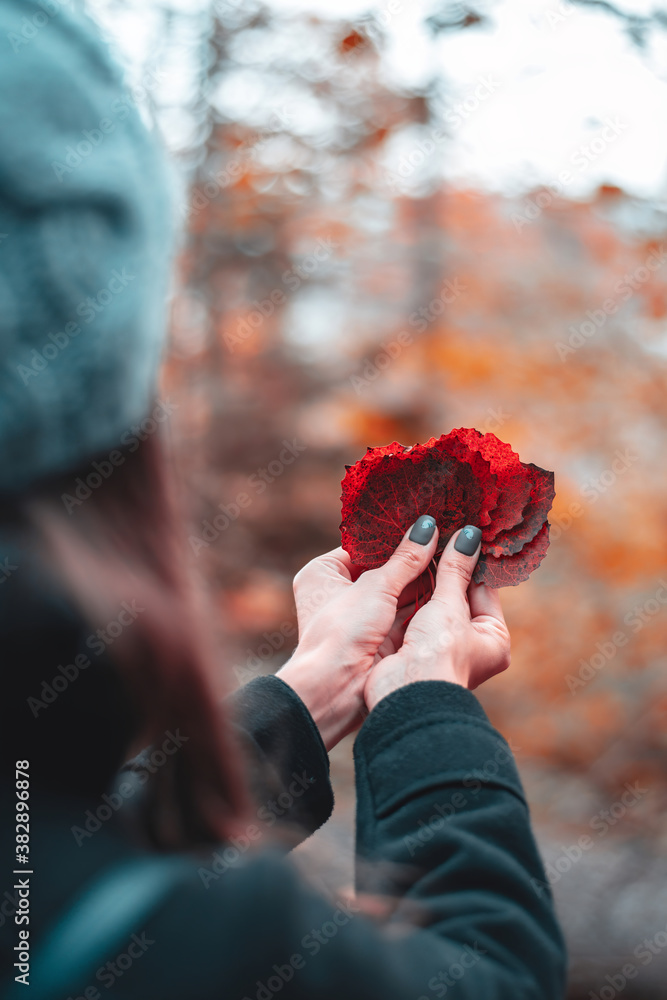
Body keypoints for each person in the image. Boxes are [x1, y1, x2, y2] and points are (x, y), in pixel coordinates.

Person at [0, 2, 567, 998]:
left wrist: (304, 697)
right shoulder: (202, 947)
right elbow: (491, 976)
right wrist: (428, 709)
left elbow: (48, 855)